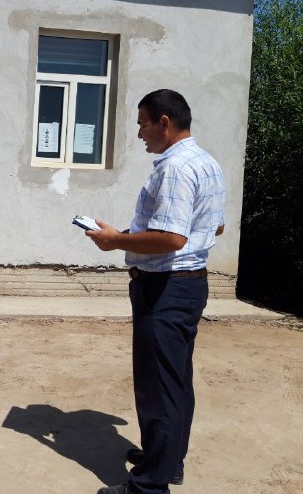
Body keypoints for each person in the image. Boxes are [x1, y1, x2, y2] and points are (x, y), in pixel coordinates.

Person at [85, 89, 225, 494]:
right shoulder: (207, 162)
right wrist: (128, 234)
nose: (139, 133)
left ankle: (148, 487)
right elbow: (213, 226)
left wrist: (116, 241)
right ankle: (166, 461)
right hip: (188, 285)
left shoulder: (175, 168)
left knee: (159, 389)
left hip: (165, 288)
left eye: (142, 124)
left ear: (164, 122)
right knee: (175, 381)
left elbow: (172, 238)